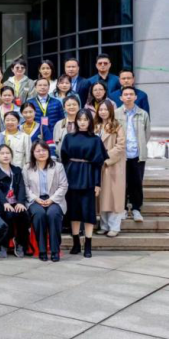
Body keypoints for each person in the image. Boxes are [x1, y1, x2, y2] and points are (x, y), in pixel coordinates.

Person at [59, 110, 107, 258]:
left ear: (90, 121)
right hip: (71, 176)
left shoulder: (95, 140)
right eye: (80, 119)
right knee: (73, 212)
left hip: (88, 177)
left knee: (88, 212)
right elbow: (63, 159)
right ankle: (75, 243)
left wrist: (97, 184)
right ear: (76, 121)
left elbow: (98, 164)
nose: (82, 122)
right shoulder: (68, 137)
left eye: (86, 119)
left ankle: (88, 245)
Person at [24, 141, 69, 262]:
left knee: (53, 214)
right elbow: (25, 187)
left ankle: (55, 251)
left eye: (44, 150)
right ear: (33, 153)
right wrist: (36, 199)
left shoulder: (58, 166)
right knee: (39, 215)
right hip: (35, 200)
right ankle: (42, 250)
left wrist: (52, 199)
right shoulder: (27, 168)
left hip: (54, 199)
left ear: (49, 152)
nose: (41, 153)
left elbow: (63, 186)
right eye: (38, 151)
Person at [115, 86, 151, 224]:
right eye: (126, 94)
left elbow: (147, 133)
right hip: (121, 155)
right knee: (121, 183)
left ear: (136, 97)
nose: (128, 96)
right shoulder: (116, 113)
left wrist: (140, 146)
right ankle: (123, 208)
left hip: (137, 154)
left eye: (131, 94)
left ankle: (136, 208)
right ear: (121, 98)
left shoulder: (143, 114)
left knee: (136, 182)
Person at [0, 145, 30, 258]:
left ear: (11, 155)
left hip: (15, 201)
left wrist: (20, 202)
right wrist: (5, 202)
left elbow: (21, 186)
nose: (5, 156)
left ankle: (20, 242)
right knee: (7, 213)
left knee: (23, 214)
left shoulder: (16, 170)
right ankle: (3, 243)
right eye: (2, 153)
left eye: (8, 153)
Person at [95, 100, 126, 237]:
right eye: (100, 109)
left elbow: (121, 146)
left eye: (105, 109)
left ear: (111, 111)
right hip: (98, 165)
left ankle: (114, 226)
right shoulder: (95, 126)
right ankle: (104, 225)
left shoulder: (117, 126)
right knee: (103, 197)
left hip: (112, 165)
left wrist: (106, 157)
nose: (103, 112)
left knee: (114, 197)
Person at [28, 78, 65, 150]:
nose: (42, 87)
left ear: (49, 87)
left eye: (45, 85)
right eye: (40, 85)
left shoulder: (57, 102)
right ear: (35, 87)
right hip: (36, 134)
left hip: (53, 133)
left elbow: (62, 120)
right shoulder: (30, 103)